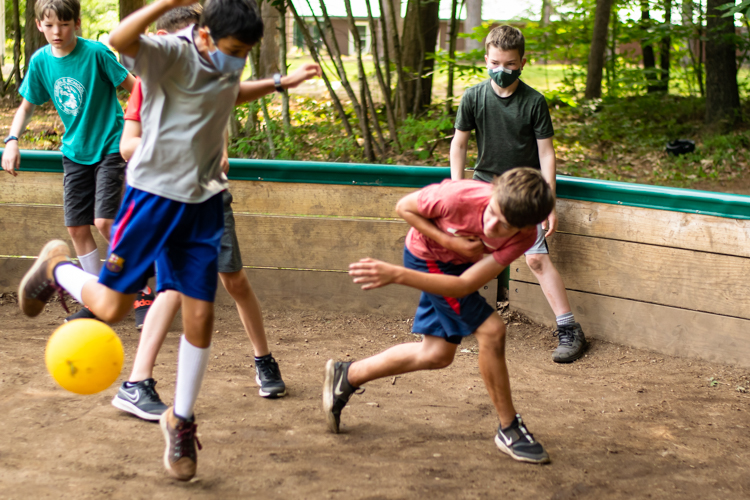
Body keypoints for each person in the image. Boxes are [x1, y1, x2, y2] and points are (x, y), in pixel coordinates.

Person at [18, 0, 320, 481]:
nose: (237, 59)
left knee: (200, 313)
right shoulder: (169, 53)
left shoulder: (226, 60)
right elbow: (118, 41)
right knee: (113, 308)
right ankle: (56, 266)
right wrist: (169, 3)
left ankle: (180, 420)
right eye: (234, 50)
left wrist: (280, 83)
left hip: (202, 203)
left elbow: (227, 92)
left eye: (245, 52)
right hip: (152, 198)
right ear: (203, 37)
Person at [111, 3, 287, 423]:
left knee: (234, 279)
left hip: (207, 194)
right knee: (172, 292)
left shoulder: (222, 69)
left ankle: (263, 359)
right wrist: (173, 147)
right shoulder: (157, 73)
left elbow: (221, 112)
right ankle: (138, 381)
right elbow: (127, 146)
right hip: (165, 193)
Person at [335, 168, 555, 464]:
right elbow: (404, 207)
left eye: (504, 226)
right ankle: (509, 427)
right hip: (428, 256)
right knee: (492, 330)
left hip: (458, 270)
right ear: (492, 194)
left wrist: (406, 272)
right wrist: (442, 247)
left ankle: (347, 376)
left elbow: (465, 285)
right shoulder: (456, 197)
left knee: (436, 354)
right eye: (492, 213)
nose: (491, 227)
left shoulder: (526, 236)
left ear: (525, 228)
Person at [0, 0, 155, 328]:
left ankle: (141, 289)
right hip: (74, 152)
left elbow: (136, 87)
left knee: (103, 221)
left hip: (111, 145)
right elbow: (27, 106)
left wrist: (142, 128)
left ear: (77, 23)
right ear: (40, 25)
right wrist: (11, 141)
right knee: (76, 228)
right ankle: (99, 298)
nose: (58, 32)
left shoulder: (96, 53)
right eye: (50, 25)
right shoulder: (41, 61)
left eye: (65, 24)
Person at [449, 25, 588, 364]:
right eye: (495, 62)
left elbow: (546, 154)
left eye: (510, 63)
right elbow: (459, 144)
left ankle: (569, 329)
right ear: (485, 59)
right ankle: (452, 316)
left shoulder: (534, 102)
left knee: (536, 259)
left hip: (524, 193)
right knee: (466, 253)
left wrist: (548, 203)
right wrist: (457, 189)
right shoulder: (473, 97)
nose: (502, 70)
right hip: (484, 189)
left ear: (522, 62)